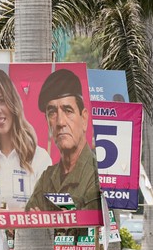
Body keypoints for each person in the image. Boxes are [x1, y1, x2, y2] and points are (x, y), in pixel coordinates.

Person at [25, 68, 101, 213]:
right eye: (52, 112)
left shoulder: (98, 175)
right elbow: (28, 225)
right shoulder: (47, 178)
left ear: (84, 118)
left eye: (68, 110)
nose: (60, 122)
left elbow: (105, 229)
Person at [0, 68, 51, 210]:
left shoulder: (40, 157)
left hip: (29, 233)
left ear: (12, 103)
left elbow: (53, 208)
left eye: (1, 100)